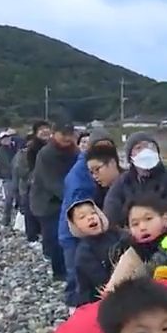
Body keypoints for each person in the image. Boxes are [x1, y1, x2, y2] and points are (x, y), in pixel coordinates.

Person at [58, 128, 116, 306]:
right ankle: (75, 310)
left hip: (87, 230)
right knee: (77, 276)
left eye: (107, 147)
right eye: (99, 147)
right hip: (75, 232)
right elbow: (79, 210)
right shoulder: (81, 173)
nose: (103, 151)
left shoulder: (91, 168)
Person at [103, 193, 167, 294]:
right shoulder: (130, 249)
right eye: (135, 224)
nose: (142, 227)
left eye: (148, 219)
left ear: (165, 219)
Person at [103, 132, 167, 229]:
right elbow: (111, 214)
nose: (145, 151)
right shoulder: (122, 183)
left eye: (150, 146)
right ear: (130, 158)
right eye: (139, 148)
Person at [30, 121, 78, 289]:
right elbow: (50, 182)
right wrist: (72, 197)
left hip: (68, 198)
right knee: (55, 237)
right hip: (47, 202)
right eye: (63, 134)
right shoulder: (46, 153)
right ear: (54, 134)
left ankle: (72, 268)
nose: (66, 138)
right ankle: (59, 272)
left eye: (70, 134)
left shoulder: (74, 151)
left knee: (71, 236)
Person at [67, 198, 124, 306]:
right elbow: (101, 281)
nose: (90, 217)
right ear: (75, 226)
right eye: (82, 217)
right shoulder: (84, 252)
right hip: (97, 300)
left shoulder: (115, 233)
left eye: (93, 213)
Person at [12, 134, 42, 243]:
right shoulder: (21, 155)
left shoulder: (41, 153)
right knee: (28, 212)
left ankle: (38, 233)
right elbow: (19, 172)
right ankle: (32, 237)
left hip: (39, 189)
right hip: (26, 188)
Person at [85, 142, 124, 207]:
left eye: (97, 169)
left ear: (112, 163)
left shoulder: (132, 185)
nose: (94, 176)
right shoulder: (98, 194)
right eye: (91, 172)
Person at [0, 130, 18, 228]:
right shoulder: (0, 151)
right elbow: (7, 164)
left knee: (20, 199)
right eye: (4, 138)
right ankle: (6, 220)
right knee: (9, 199)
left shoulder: (14, 147)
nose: (6, 140)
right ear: (0, 141)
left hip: (16, 176)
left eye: (8, 137)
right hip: (8, 177)